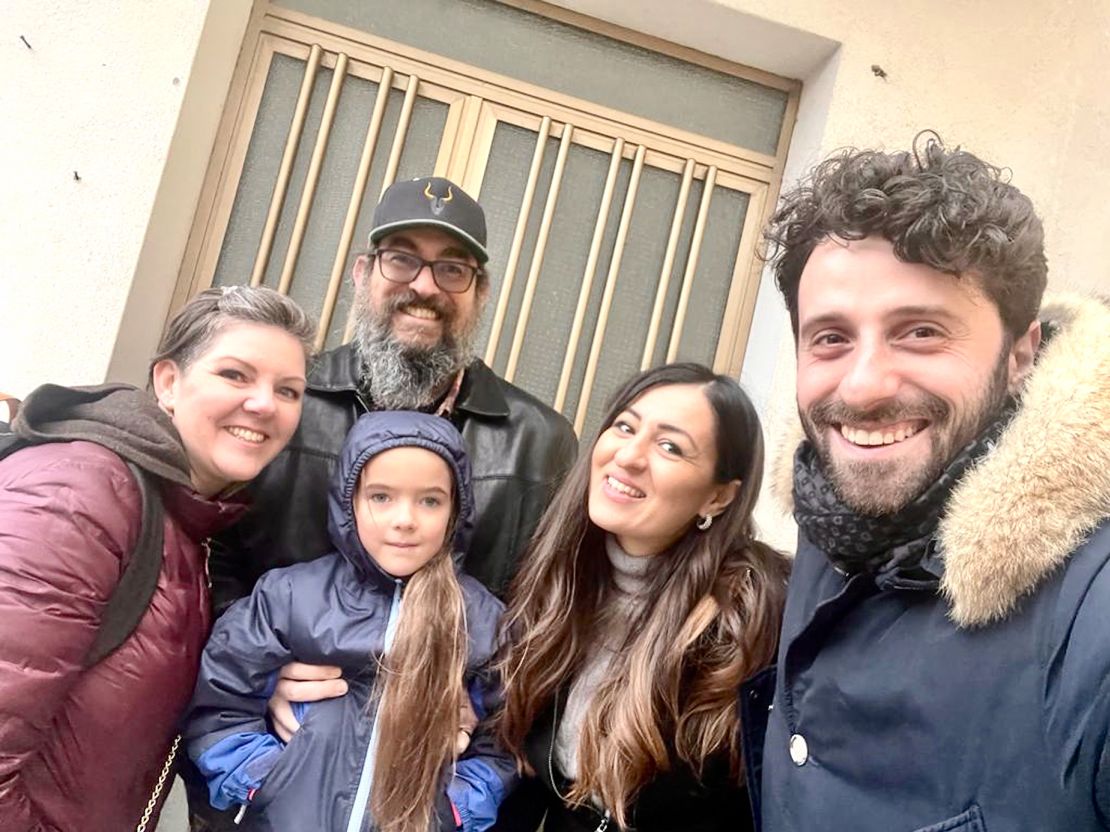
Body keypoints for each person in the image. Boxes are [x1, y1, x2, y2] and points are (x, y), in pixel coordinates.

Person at [744, 135, 1110, 830]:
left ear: (1020, 354)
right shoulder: (832, 514)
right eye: (830, 338)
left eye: (919, 332)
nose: (863, 386)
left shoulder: (1093, 620)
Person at [0, 286, 314, 832]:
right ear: (168, 382)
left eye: (288, 390)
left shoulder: (190, 523)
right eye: (235, 375)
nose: (264, 404)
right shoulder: (80, 494)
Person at [209, 175, 578, 615]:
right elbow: (215, 553)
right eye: (402, 260)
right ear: (363, 274)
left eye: (452, 270)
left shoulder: (538, 442)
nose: (425, 286)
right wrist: (261, 666)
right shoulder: (286, 402)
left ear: (480, 294)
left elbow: (544, 604)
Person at [494, 363, 790, 832]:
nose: (629, 455)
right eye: (625, 426)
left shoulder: (753, 619)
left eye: (670, 446)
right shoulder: (558, 577)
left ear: (717, 498)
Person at [185, 411, 514, 832]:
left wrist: (460, 806)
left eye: (430, 500)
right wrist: (260, 777)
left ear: (456, 511)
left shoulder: (483, 620)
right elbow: (221, 697)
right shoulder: (289, 597)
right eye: (381, 497)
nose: (405, 519)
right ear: (349, 502)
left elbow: (504, 736)